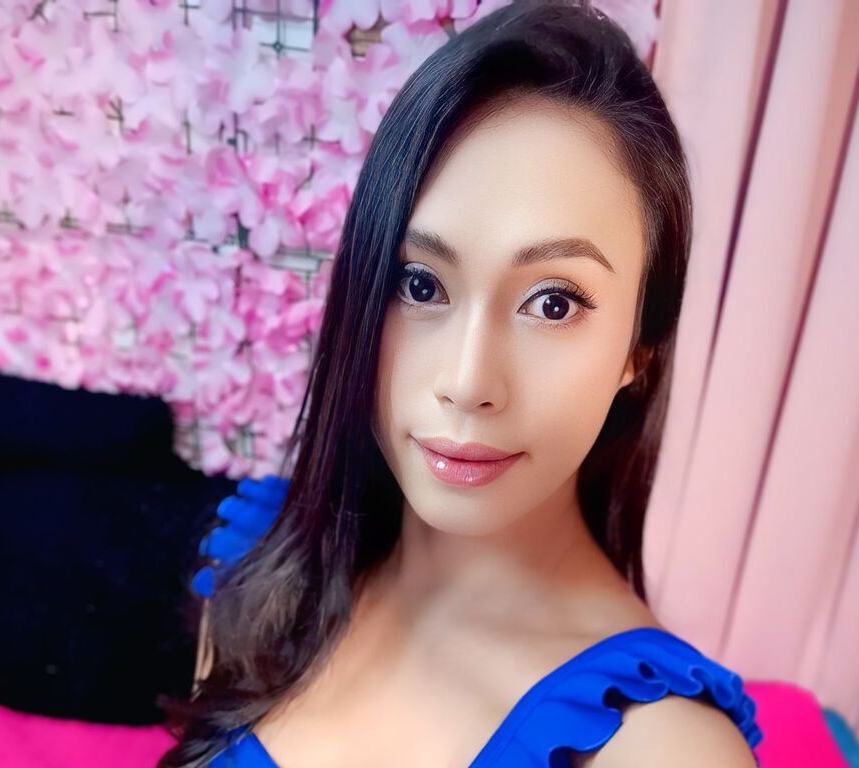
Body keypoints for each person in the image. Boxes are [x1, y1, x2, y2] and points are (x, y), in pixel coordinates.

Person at [160, 0, 764, 765]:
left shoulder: (664, 751)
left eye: (553, 303)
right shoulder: (267, 577)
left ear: (638, 351)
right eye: (419, 284)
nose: (468, 381)